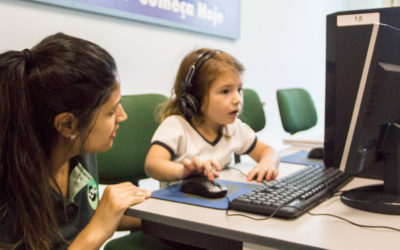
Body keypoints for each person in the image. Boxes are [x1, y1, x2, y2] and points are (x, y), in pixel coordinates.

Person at [0, 33, 152, 249]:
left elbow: (89, 216)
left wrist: (169, 213)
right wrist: (95, 232)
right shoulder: (9, 190)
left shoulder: (78, 149)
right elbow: (95, 225)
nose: (122, 116)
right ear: (67, 125)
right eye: (111, 111)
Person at [144, 48, 279, 184]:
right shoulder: (177, 126)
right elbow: (153, 164)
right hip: (179, 202)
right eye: (225, 91)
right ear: (195, 98)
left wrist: (267, 164)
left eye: (239, 90)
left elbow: (268, 151)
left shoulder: (234, 128)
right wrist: (182, 171)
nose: (238, 99)